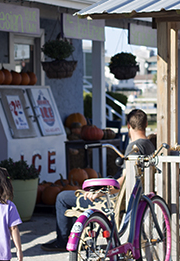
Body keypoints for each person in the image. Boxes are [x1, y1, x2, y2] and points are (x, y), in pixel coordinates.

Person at [41, 108, 155, 252]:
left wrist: (100, 192)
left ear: (128, 126)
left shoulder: (134, 149)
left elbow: (124, 181)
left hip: (113, 200)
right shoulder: (150, 145)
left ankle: (62, 241)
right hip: (134, 197)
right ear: (146, 124)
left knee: (62, 197)